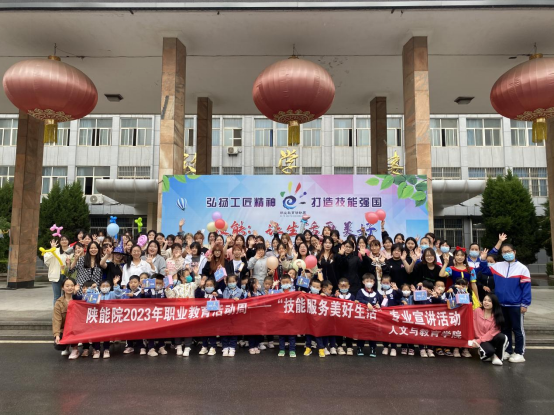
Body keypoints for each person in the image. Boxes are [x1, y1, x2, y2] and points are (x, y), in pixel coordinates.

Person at [479, 245, 531, 364]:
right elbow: (485, 270)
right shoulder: (498, 266)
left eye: (509, 251)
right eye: (504, 252)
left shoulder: (522, 268)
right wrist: (483, 259)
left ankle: (519, 353)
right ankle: (508, 350)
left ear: (514, 252)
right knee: (504, 328)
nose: (507, 254)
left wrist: (525, 304)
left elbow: (526, 288)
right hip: (501, 304)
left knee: (518, 329)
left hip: (516, 305)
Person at [472, 294, 509, 366]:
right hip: (481, 339)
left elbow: (491, 333)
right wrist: (475, 340)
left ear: (494, 303)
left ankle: (498, 357)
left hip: (491, 338)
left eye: (489, 301)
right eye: (484, 300)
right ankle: (491, 354)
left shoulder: (497, 316)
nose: (486, 302)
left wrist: (478, 341)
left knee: (502, 337)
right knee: (489, 352)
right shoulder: (477, 311)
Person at [355, 273, 382, 358]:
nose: (369, 283)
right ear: (363, 282)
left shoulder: (376, 293)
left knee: (372, 333)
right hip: (362, 317)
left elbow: (379, 302)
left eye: (371, 281)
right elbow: (358, 300)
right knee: (361, 333)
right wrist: (366, 303)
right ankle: (360, 348)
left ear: (374, 282)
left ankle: (373, 348)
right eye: (367, 281)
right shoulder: (360, 291)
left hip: (373, 318)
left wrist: (378, 305)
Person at [53, 278, 80, 359]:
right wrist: (57, 335)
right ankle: (66, 347)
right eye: (67, 286)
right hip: (64, 329)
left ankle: (75, 349)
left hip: (76, 328)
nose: (70, 288)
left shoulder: (79, 299)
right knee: (59, 345)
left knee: (74, 329)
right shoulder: (58, 302)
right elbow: (56, 320)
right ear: (62, 287)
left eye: (72, 285)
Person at [196, 278, 220, 356]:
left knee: (212, 332)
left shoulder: (217, 293)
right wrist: (200, 286)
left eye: (211, 285)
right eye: (207, 285)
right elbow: (197, 295)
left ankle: (213, 347)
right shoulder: (203, 293)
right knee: (204, 332)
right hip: (204, 316)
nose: (209, 287)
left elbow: (222, 297)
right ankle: (204, 346)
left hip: (213, 317)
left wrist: (217, 295)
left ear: (214, 286)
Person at [44, 236, 71, 306]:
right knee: (57, 296)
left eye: (66, 239)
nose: (64, 241)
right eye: (62, 240)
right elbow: (46, 260)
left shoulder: (71, 251)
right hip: (56, 276)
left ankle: (65, 311)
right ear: (59, 242)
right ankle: (57, 312)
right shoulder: (55, 250)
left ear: (68, 241)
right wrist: (52, 249)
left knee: (66, 296)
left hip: (67, 276)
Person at [379, 276, 402, 357]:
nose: (385, 284)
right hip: (383, 315)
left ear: (390, 283)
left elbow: (400, 296)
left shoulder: (393, 291)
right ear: (381, 283)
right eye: (383, 283)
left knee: (393, 331)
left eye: (387, 283)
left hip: (393, 314)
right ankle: (385, 347)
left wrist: (397, 290)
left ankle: (393, 348)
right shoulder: (379, 292)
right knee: (384, 331)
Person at [222, 275, 244, 358]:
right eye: (230, 282)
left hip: (235, 315)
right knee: (225, 331)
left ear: (236, 282)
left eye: (233, 281)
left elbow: (244, 301)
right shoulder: (224, 290)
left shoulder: (240, 291)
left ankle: (232, 347)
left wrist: (239, 300)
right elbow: (222, 299)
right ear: (226, 282)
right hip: (225, 314)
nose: (231, 283)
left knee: (233, 332)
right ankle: (225, 347)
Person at [278, 274, 297, 358]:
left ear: (291, 282)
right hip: (281, 317)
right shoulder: (278, 292)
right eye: (283, 282)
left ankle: (292, 350)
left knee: (292, 335)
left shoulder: (294, 292)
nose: (285, 284)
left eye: (287, 282)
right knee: (281, 335)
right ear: (281, 283)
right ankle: (281, 349)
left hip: (292, 317)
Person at [244, 278, 265, 355]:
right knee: (252, 332)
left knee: (258, 331)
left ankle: (256, 345)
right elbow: (243, 301)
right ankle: (251, 346)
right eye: (257, 283)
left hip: (259, 315)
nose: (259, 285)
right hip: (250, 316)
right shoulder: (247, 293)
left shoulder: (260, 292)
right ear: (253, 285)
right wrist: (248, 298)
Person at [304, 279, 323, 357]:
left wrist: (325, 296)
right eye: (313, 286)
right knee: (308, 334)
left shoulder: (321, 296)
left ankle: (321, 349)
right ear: (310, 286)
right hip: (308, 319)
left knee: (318, 334)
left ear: (320, 288)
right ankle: (308, 348)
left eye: (317, 287)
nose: (315, 288)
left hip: (318, 320)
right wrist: (302, 294)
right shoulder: (306, 295)